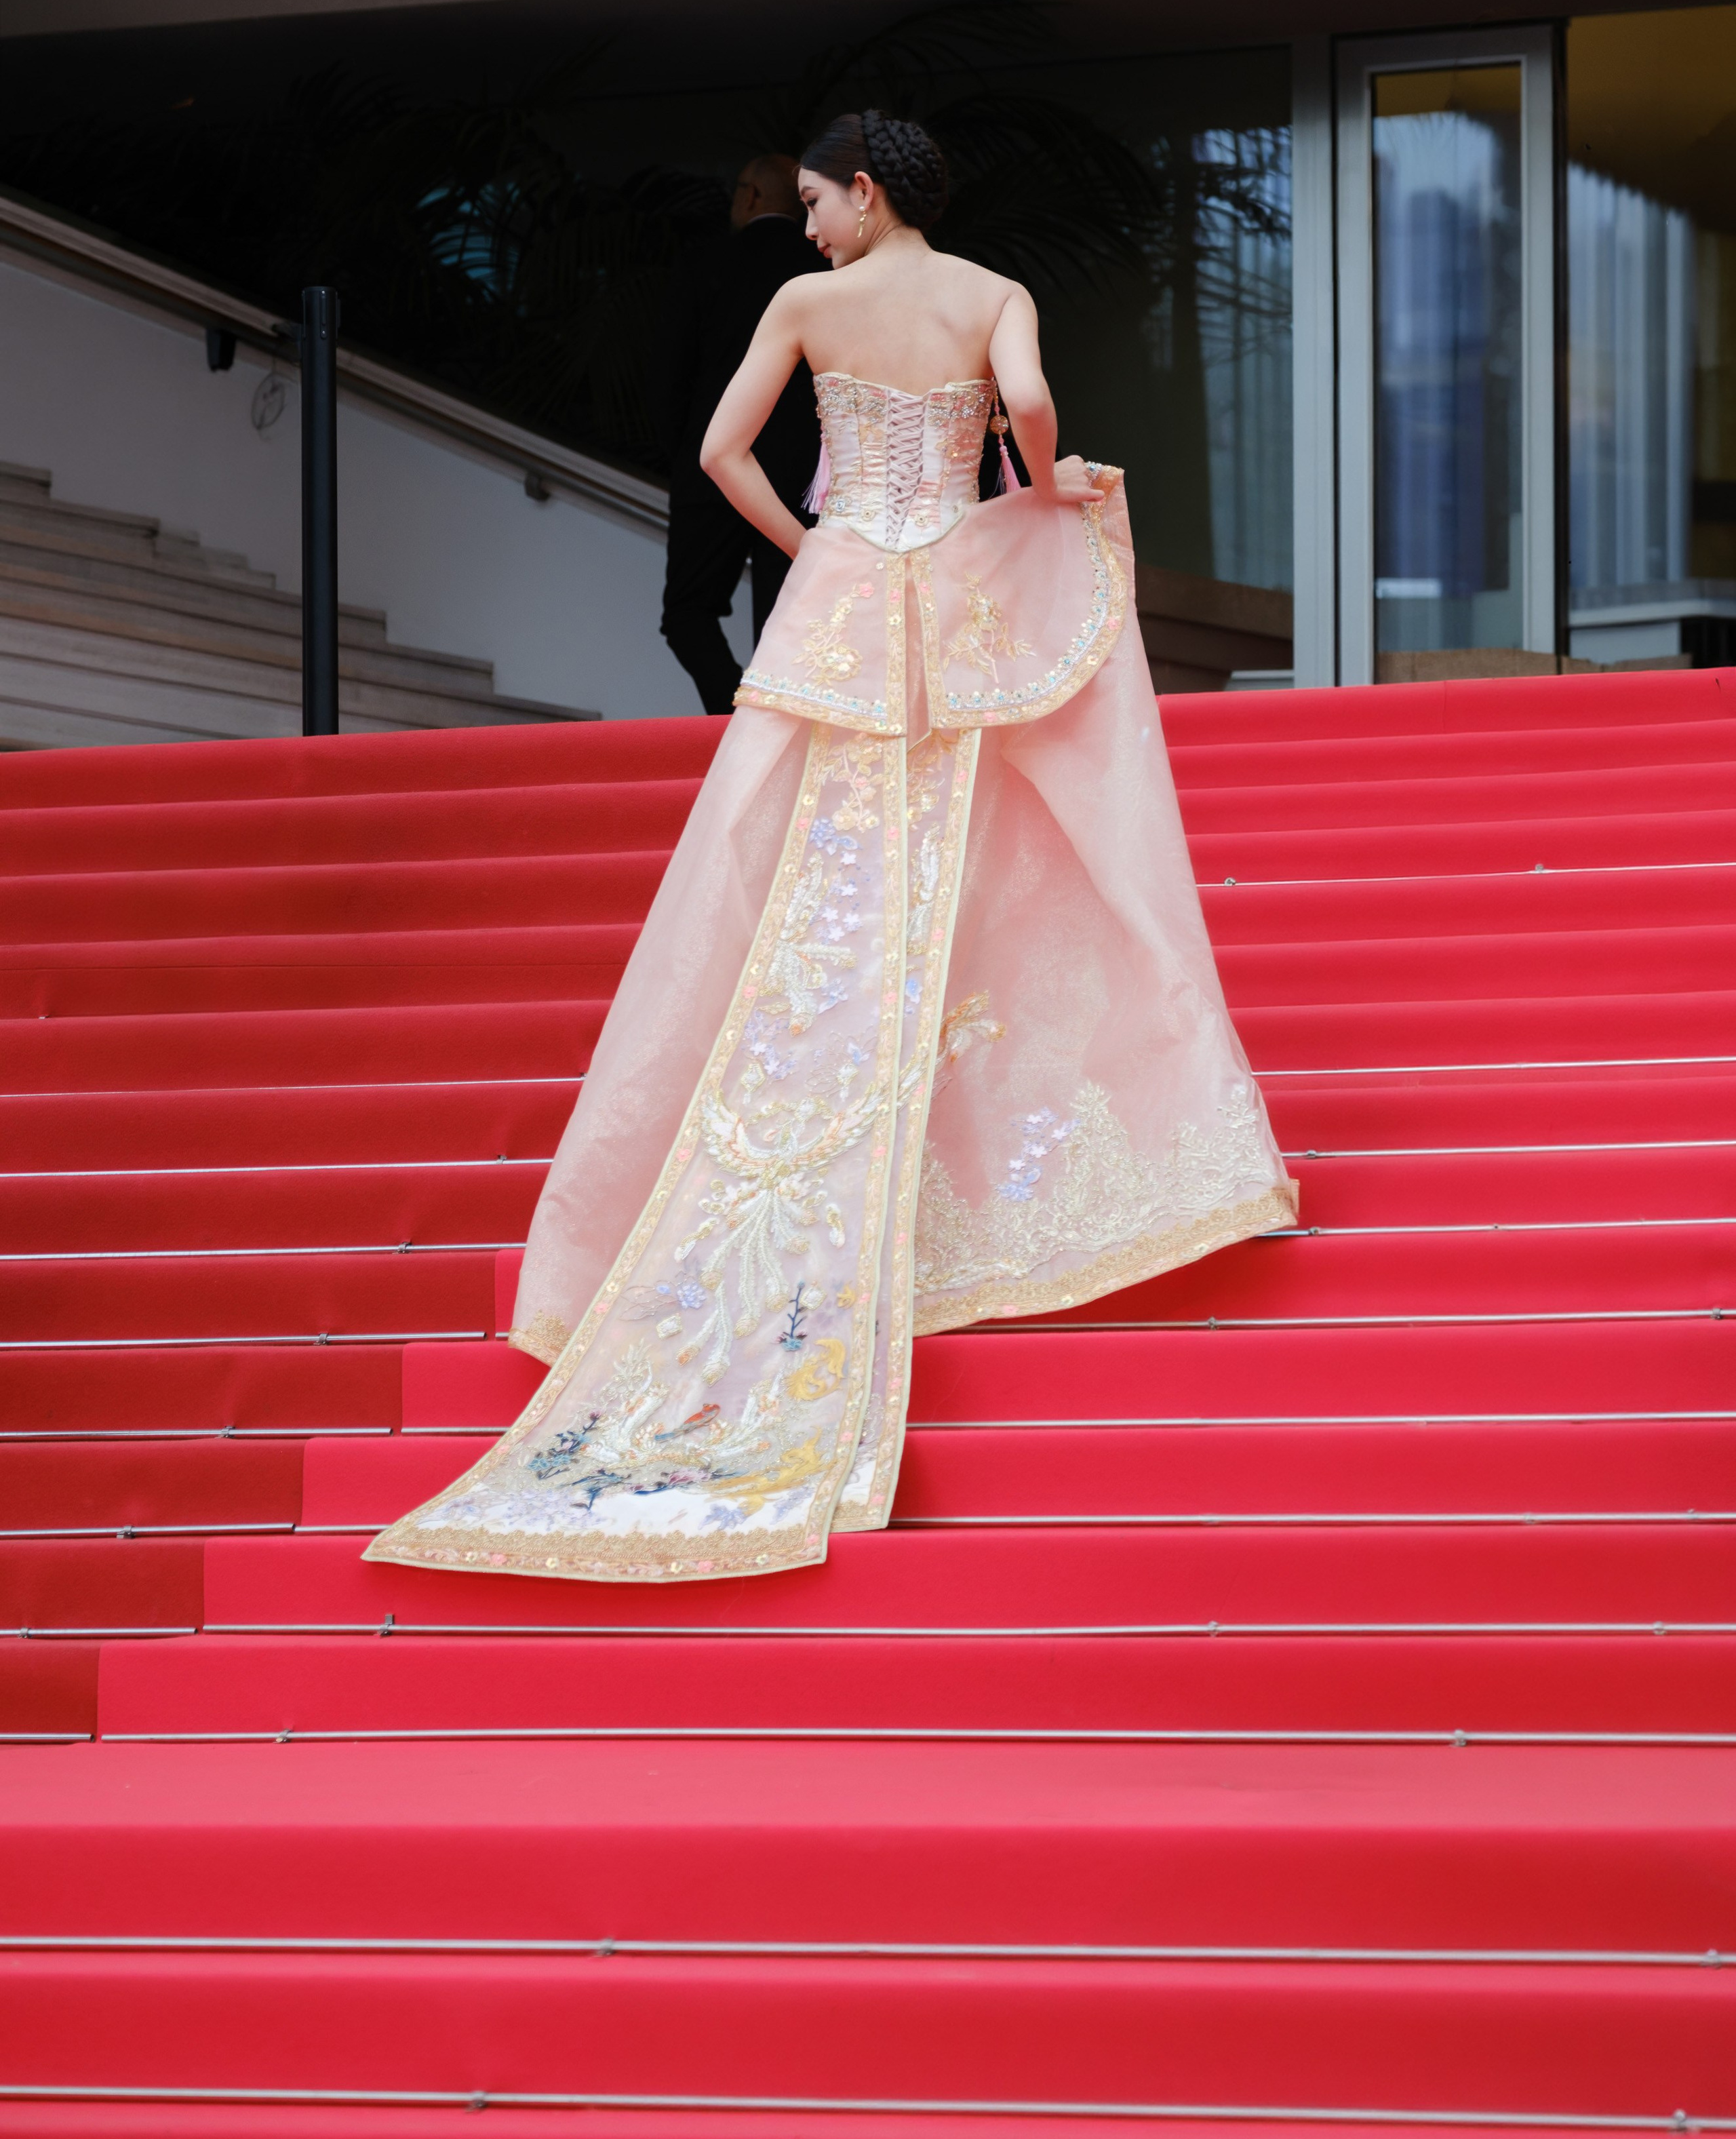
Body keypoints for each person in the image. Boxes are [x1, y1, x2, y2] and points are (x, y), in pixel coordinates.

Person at [369, 108, 1297, 1588]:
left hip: (846, 592)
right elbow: (1032, 412)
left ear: (867, 193)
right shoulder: (994, 294)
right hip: (956, 584)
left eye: (813, 202)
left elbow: (721, 449)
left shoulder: (808, 307)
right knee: (977, 863)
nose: (800, 229)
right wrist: (1034, 487)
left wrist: (811, 551)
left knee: (778, 863)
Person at [653, 152, 827, 713]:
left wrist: (676, 458)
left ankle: (731, 720)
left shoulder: (705, 262)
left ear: (751, 196)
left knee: (687, 612)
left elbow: (671, 374)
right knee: (786, 617)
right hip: (805, 471)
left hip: (714, 464)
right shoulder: (825, 267)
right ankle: (771, 726)